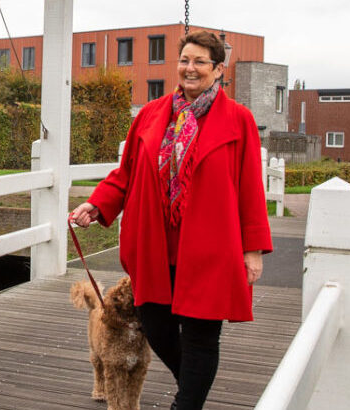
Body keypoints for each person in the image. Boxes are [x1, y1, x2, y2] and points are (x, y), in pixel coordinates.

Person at [69, 31, 272, 410]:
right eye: (184, 60)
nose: (189, 68)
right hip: (155, 244)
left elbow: (249, 189)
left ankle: (186, 404)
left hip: (211, 246)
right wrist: (97, 204)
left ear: (218, 69)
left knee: (200, 336)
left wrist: (253, 249)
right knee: (158, 328)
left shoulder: (238, 119)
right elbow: (126, 173)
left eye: (199, 62)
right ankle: (192, 388)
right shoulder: (150, 115)